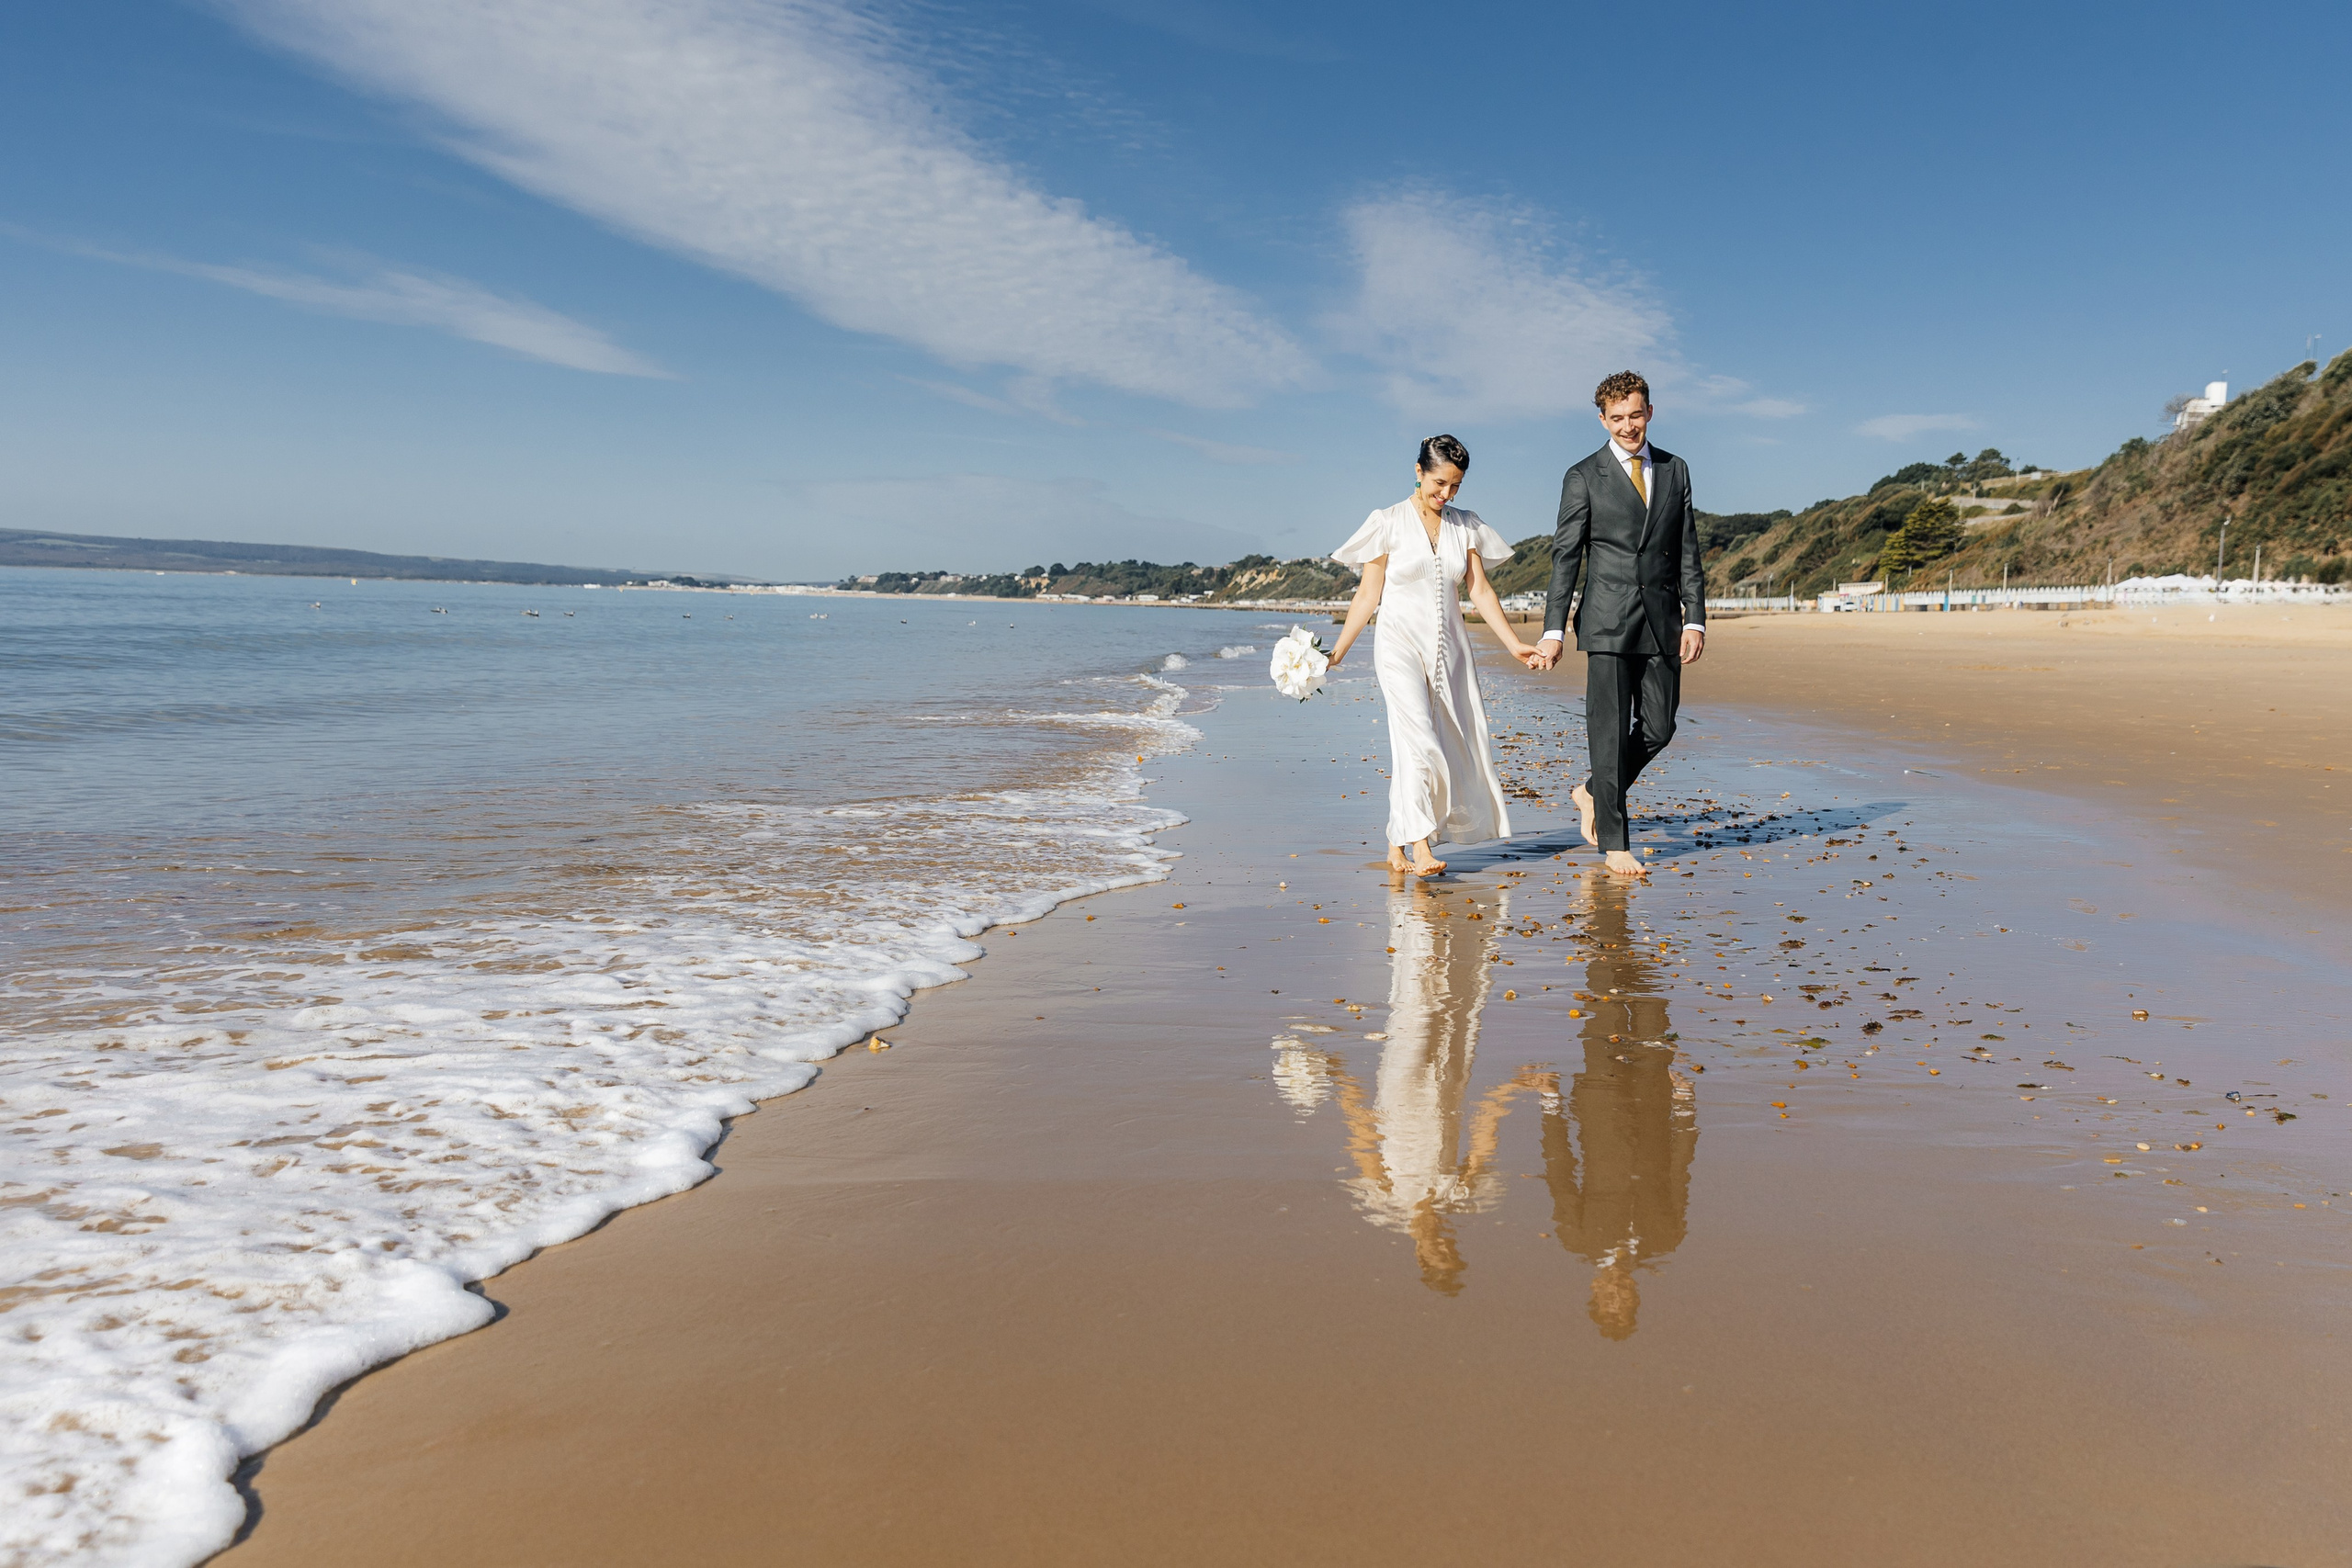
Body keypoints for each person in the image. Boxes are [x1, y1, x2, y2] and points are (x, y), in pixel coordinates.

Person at [1329, 434, 1543, 876]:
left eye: (1456, 485)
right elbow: (1368, 594)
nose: (1446, 494)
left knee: (1440, 741)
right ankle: (1421, 846)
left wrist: (1513, 644)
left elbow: (1480, 590)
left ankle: (1396, 842)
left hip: (1450, 650)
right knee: (1420, 740)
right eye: (1440, 483)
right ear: (1419, 471)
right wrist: (1337, 652)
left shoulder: (1465, 526)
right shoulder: (1387, 522)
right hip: (1398, 645)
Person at [1529, 372, 1708, 875]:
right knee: (1607, 733)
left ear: (1649, 411)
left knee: (1660, 726)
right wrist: (1553, 630)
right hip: (1606, 620)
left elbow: (1687, 550)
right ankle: (1614, 842)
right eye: (1617, 418)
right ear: (1602, 420)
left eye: (1635, 415)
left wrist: (1695, 618)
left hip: (1663, 620)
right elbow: (1566, 557)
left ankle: (1592, 791)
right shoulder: (1584, 475)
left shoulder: (1675, 469)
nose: (1628, 426)